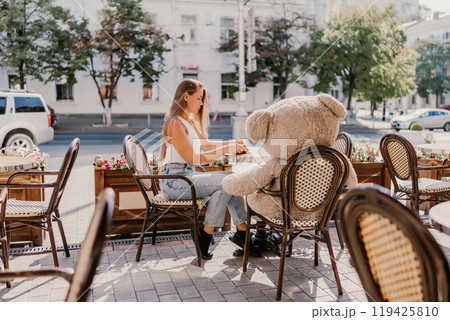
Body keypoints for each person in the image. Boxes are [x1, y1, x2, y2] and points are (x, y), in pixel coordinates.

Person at [159, 79, 258, 259]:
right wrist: (226, 149)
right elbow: (193, 159)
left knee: (231, 179)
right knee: (227, 180)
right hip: (174, 181)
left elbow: (205, 146)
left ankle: (239, 234)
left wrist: (233, 143)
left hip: (186, 176)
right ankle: (210, 235)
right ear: (186, 96)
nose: (202, 103)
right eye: (198, 98)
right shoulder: (175, 123)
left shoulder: (188, 121)